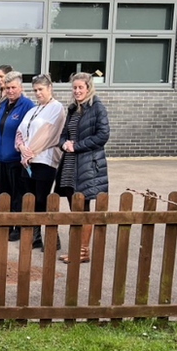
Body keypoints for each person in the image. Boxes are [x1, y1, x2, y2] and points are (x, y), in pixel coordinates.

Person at [56, 72, 110, 263]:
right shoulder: (72, 109)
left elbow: (102, 136)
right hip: (70, 165)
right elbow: (64, 134)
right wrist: (64, 144)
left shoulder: (97, 108)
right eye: (74, 87)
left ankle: (83, 252)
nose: (77, 90)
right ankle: (76, 250)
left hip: (87, 165)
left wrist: (76, 146)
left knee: (84, 209)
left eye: (80, 87)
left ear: (88, 88)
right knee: (75, 209)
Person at [15, 74, 66, 250]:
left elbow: (49, 134)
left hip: (44, 160)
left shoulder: (56, 108)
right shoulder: (32, 110)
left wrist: (30, 152)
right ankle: (34, 236)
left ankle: (53, 237)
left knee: (42, 200)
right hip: (27, 161)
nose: (37, 93)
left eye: (40, 89)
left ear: (49, 88)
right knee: (29, 199)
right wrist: (22, 148)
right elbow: (19, 132)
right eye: (35, 90)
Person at [0, 71, 35, 241]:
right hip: (1, 158)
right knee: (4, 194)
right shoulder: (3, 105)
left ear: (21, 87)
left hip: (16, 159)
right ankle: (4, 225)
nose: (10, 90)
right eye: (7, 88)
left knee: (17, 195)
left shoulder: (27, 106)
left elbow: (29, 132)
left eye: (13, 87)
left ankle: (17, 227)